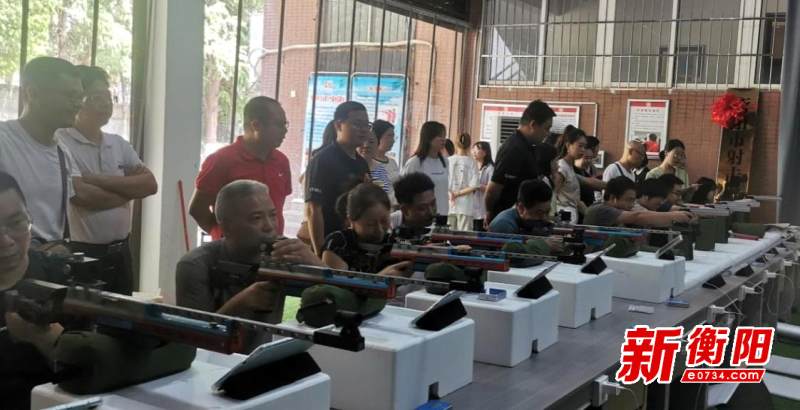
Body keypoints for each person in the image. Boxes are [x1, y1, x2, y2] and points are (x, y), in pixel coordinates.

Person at [177, 180, 322, 350]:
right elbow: (192, 343)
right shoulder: (195, 265)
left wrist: (317, 265)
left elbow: (343, 300)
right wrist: (239, 305)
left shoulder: (284, 254)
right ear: (227, 226)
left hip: (263, 358)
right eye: (256, 218)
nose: (269, 226)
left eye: (273, 215)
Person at [56, 65, 158, 295]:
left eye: (108, 97)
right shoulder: (62, 142)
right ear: (77, 100)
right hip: (82, 253)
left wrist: (95, 179)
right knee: (84, 313)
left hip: (121, 252)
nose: (106, 104)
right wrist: (128, 192)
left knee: (123, 312)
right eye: (96, 97)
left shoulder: (118, 143)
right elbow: (83, 196)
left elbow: (150, 184)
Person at [0, 57, 120, 243]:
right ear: (32, 93)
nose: (78, 104)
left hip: (51, 257)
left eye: (80, 97)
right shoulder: (4, 141)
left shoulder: (62, 152)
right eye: (70, 95)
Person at [0, 172, 67, 409]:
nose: (6, 241)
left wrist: (47, 339)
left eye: (16, 223)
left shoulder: (64, 278)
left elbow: (96, 374)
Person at [191, 96, 291, 241]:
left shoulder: (282, 162)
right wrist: (223, 236)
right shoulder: (221, 160)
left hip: (272, 247)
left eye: (286, 124)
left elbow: (278, 206)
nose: (285, 131)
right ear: (256, 125)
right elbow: (197, 209)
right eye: (279, 125)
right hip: (233, 251)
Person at [305, 101, 371, 255]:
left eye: (366, 125)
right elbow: (313, 209)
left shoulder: (361, 163)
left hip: (353, 244)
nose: (363, 130)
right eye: (357, 124)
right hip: (329, 244)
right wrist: (320, 252)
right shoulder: (323, 159)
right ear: (339, 125)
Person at [485, 100, 555, 224]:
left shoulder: (529, 147)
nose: (547, 134)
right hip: (507, 219)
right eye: (546, 128)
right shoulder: (514, 149)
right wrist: (490, 213)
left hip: (523, 218)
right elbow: (493, 189)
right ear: (533, 125)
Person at [322, 183, 413, 276]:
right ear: (351, 221)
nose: (379, 230)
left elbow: (412, 247)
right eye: (371, 224)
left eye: (384, 221)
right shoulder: (338, 243)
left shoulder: (398, 241)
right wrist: (380, 278)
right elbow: (338, 283)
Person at [584, 176, 696, 227]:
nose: (631, 205)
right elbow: (638, 217)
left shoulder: (616, 211)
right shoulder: (601, 210)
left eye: (633, 200)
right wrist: (675, 216)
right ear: (613, 197)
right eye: (628, 200)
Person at [401, 121, 449, 217]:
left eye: (444, 136)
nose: (443, 140)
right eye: (440, 136)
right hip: (421, 215)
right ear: (429, 138)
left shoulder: (445, 161)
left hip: (442, 213)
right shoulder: (415, 162)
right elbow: (404, 190)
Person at [489, 179, 555, 237]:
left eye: (547, 212)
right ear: (521, 208)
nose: (544, 218)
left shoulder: (522, 221)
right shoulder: (503, 225)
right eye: (539, 213)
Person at [555, 128, 588, 224]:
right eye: (580, 146)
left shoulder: (570, 167)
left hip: (570, 218)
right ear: (568, 145)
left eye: (585, 147)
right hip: (562, 218)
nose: (583, 150)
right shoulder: (562, 167)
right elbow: (553, 195)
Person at [447, 133, 480, 231]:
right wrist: (457, 194)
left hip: (449, 204)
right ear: (469, 145)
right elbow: (474, 186)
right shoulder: (472, 162)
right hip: (466, 206)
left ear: (456, 143)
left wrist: (451, 194)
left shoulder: (448, 160)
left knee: (448, 235)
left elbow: (443, 182)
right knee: (464, 236)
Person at [372, 120, 400, 206]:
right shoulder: (372, 164)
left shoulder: (392, 162)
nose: (392, 140)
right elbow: (381, 191)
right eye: (389, 136)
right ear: (377, 137)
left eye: (393, 136)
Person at [574, 136, 604, 211]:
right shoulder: (571, 171)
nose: (589, 161)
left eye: (590, 158)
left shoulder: (591, 169)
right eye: (586, 158)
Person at [472, 141, 494, 228]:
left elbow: (491, 188)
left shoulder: (490, 168)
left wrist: (477, 185)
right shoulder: (473, 166)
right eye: (473, 149)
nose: (473, 152)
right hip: (471, 209)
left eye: (477, 149)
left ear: (485, 153)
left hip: (482, 210)